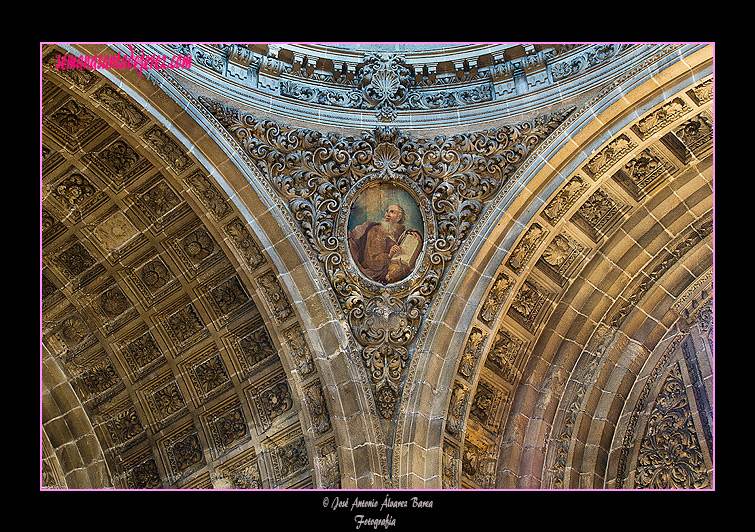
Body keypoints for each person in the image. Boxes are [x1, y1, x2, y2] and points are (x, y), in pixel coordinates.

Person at [348, 203, 422, 284]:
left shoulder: (398, 232)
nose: (387, 214)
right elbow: (372, 263)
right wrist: (389, 255)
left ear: (398, 218)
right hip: (376, 274)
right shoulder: (376, 231)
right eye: (387, 211)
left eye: (392, 212)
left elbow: (402, 241)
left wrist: (411, 235)